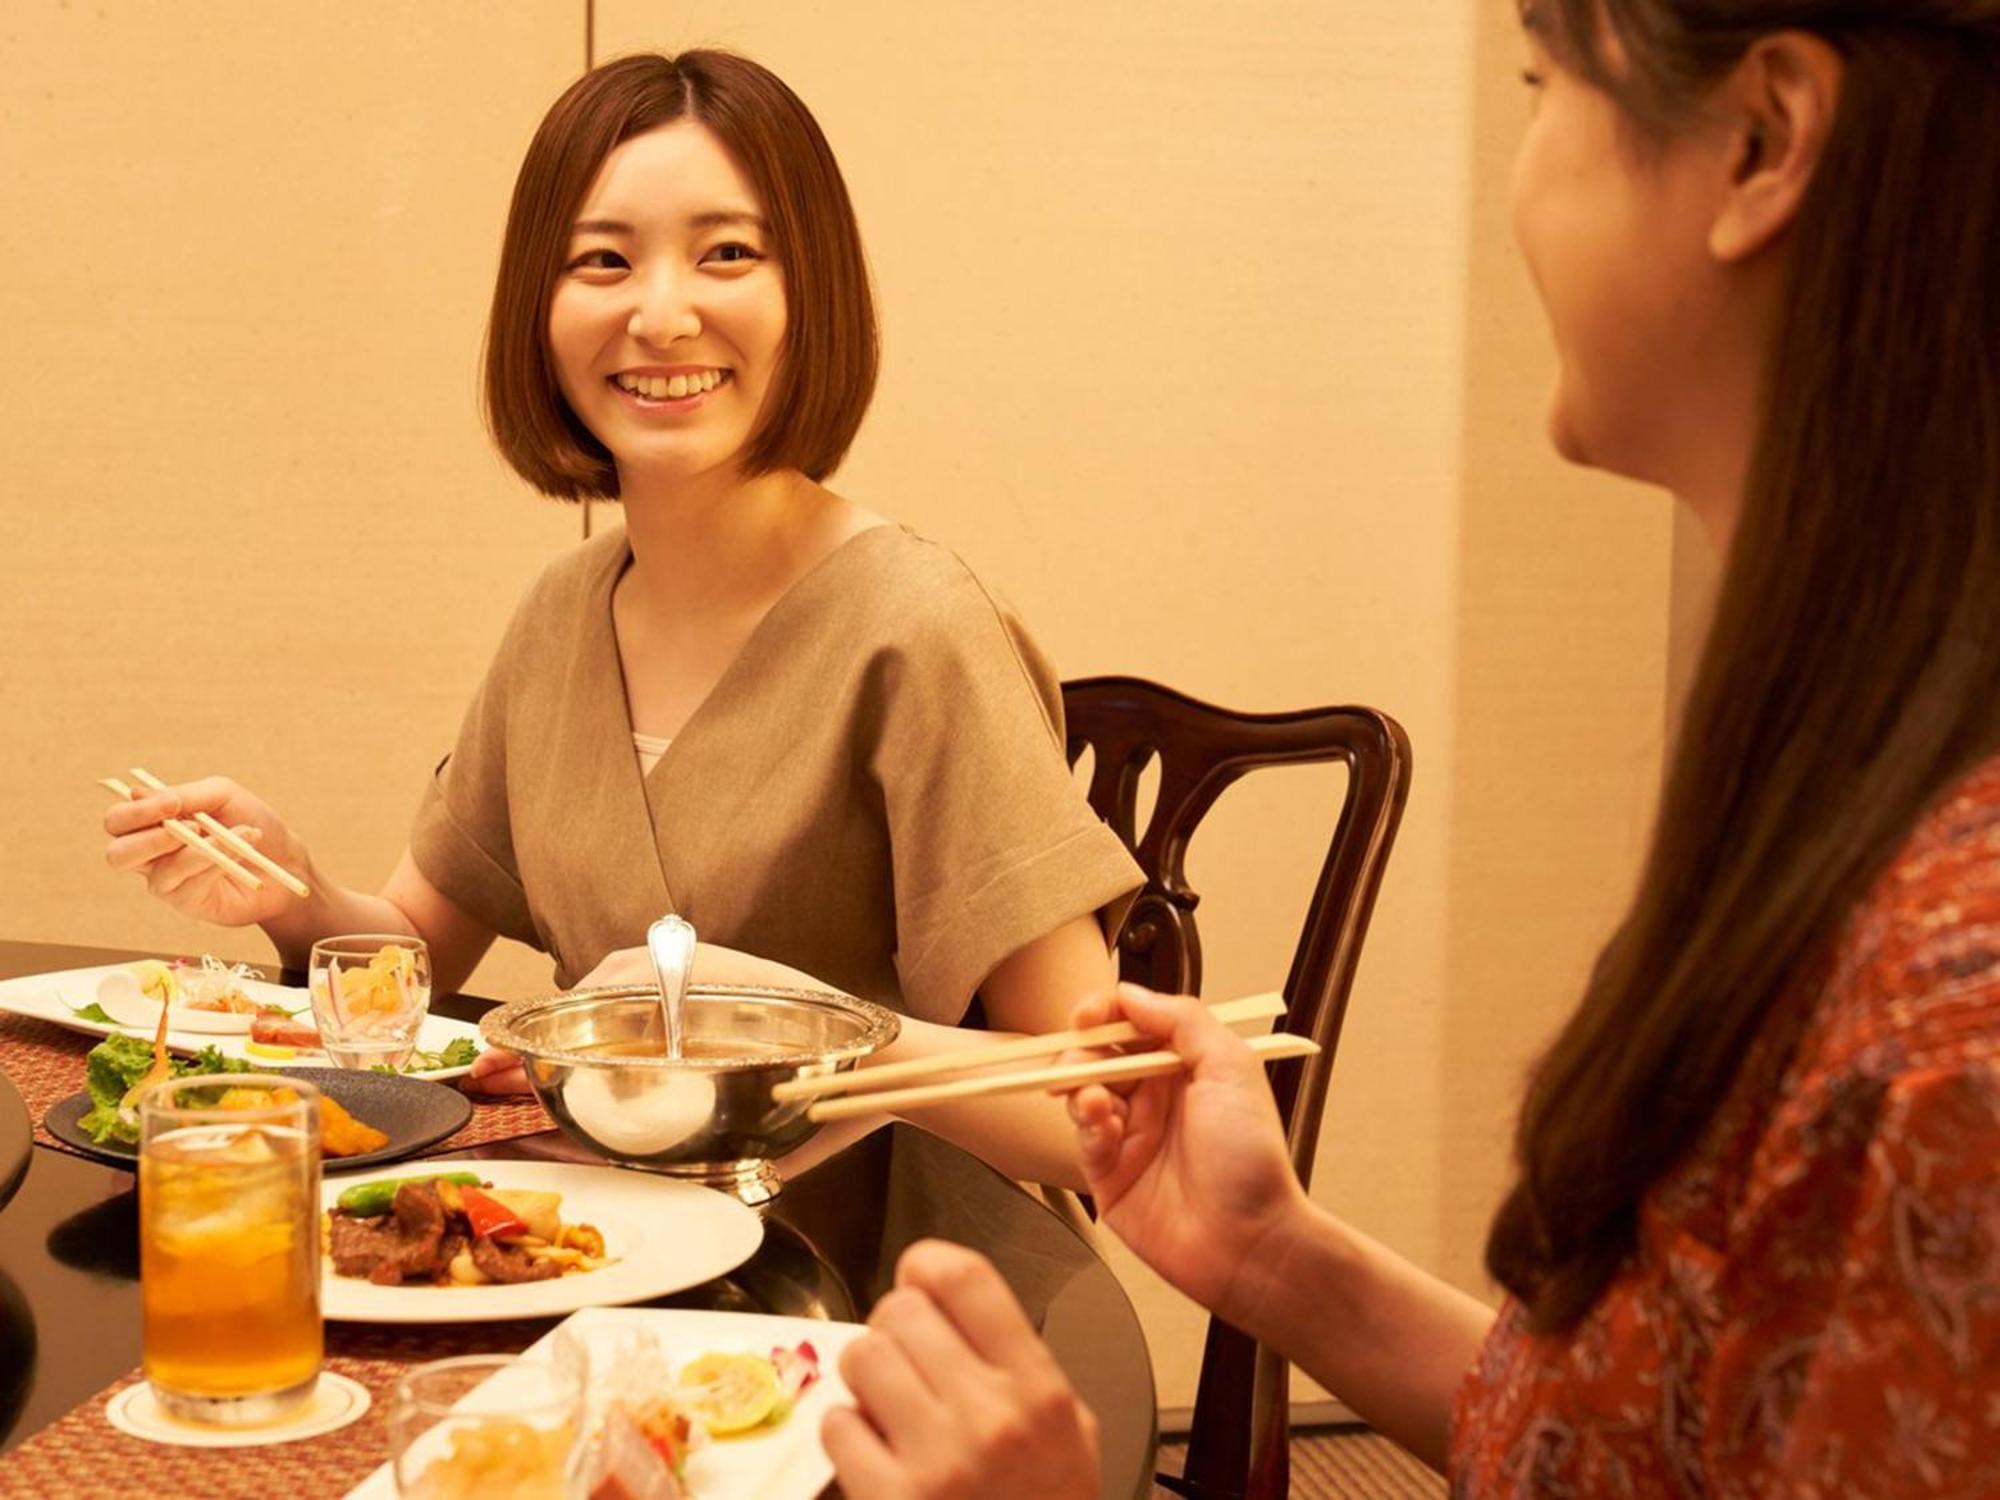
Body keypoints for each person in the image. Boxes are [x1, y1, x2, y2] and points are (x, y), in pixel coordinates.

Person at [823, 0, 2000, 1491]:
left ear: (1763, 141)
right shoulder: (1840, 779)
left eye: (1538, 87)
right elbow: (1662, 1438)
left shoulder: (1954, 1011)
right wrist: (1279, 1258)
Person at [100, 51, 1140, 1188]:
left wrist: (792, 1031)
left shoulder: (914, 627)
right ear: (538, 314)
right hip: (596, 1249)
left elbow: (1097, 1118)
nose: (659, 313)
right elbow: (416, 962)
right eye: (602, 261)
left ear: (811, 293)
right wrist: (293, 894)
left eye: (726, 253)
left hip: (869, 1299)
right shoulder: (562, 615)